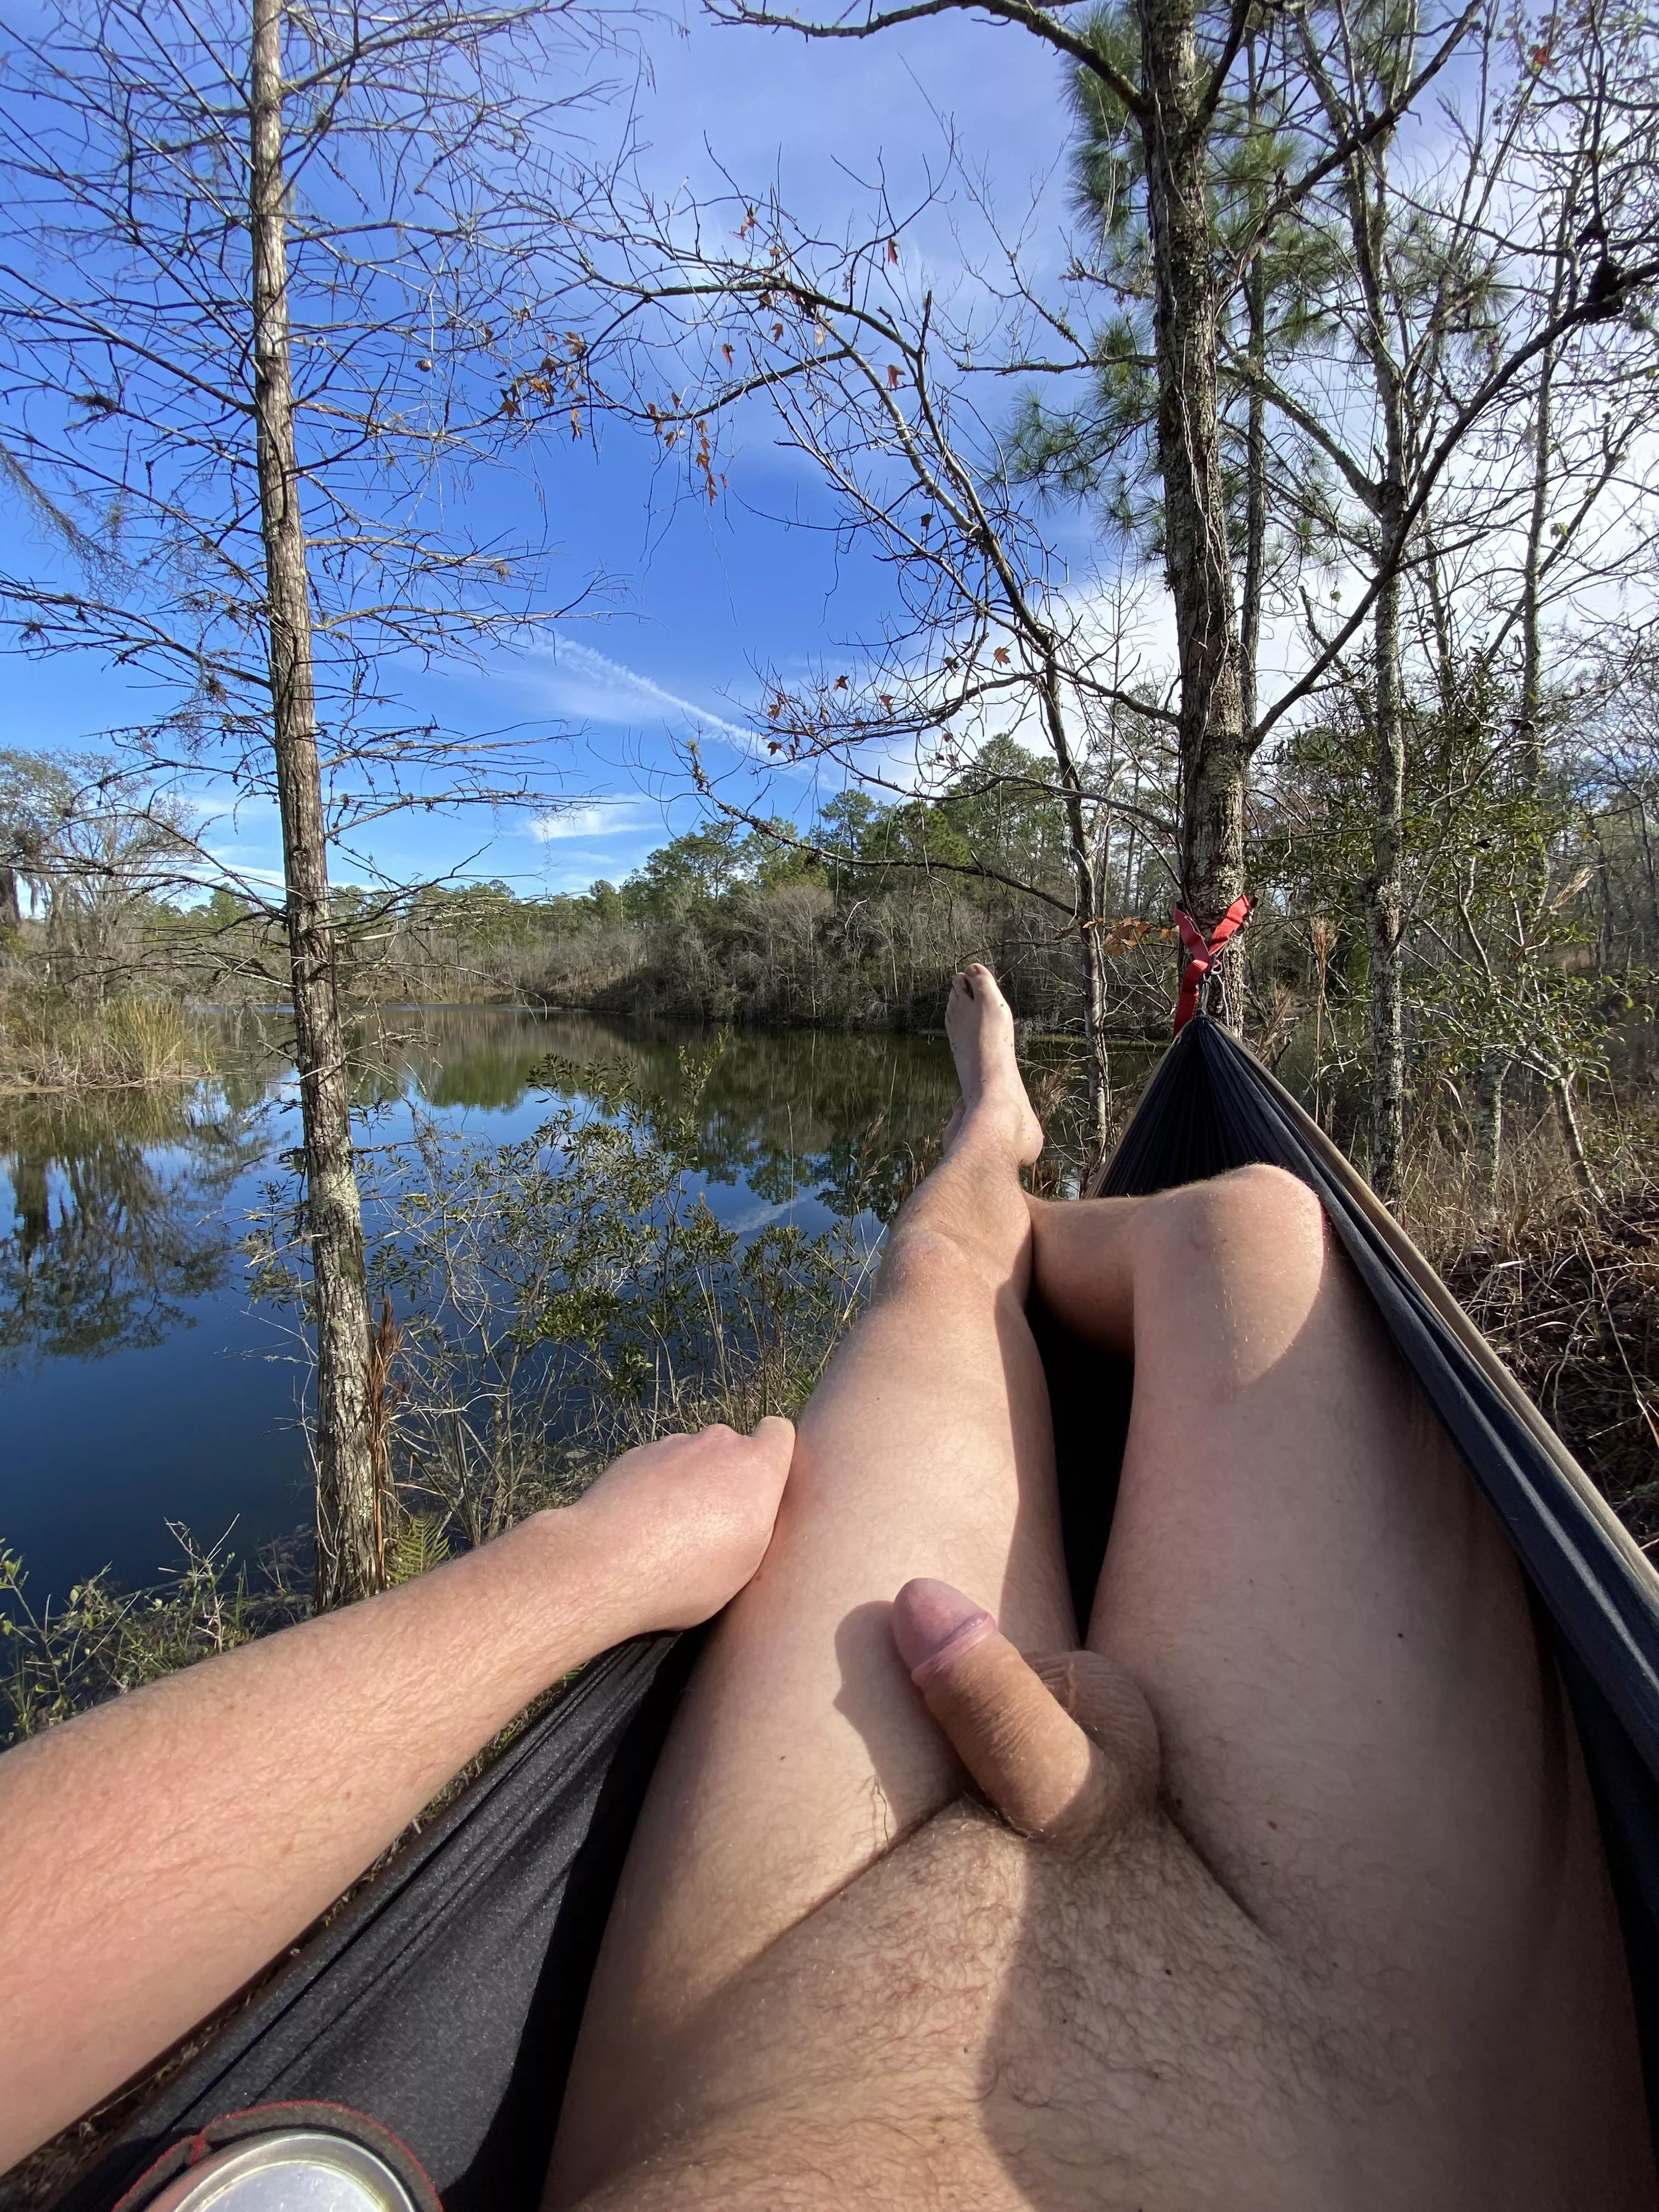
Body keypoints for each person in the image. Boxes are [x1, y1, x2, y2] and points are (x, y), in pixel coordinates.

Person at [0, 965, 1650, 2208]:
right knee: (1253, 1236)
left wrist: (587, 1564)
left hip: (774, 1995)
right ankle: (1022, 1189)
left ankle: (994, 1176)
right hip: (1380, 2090)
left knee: (940, 1273)